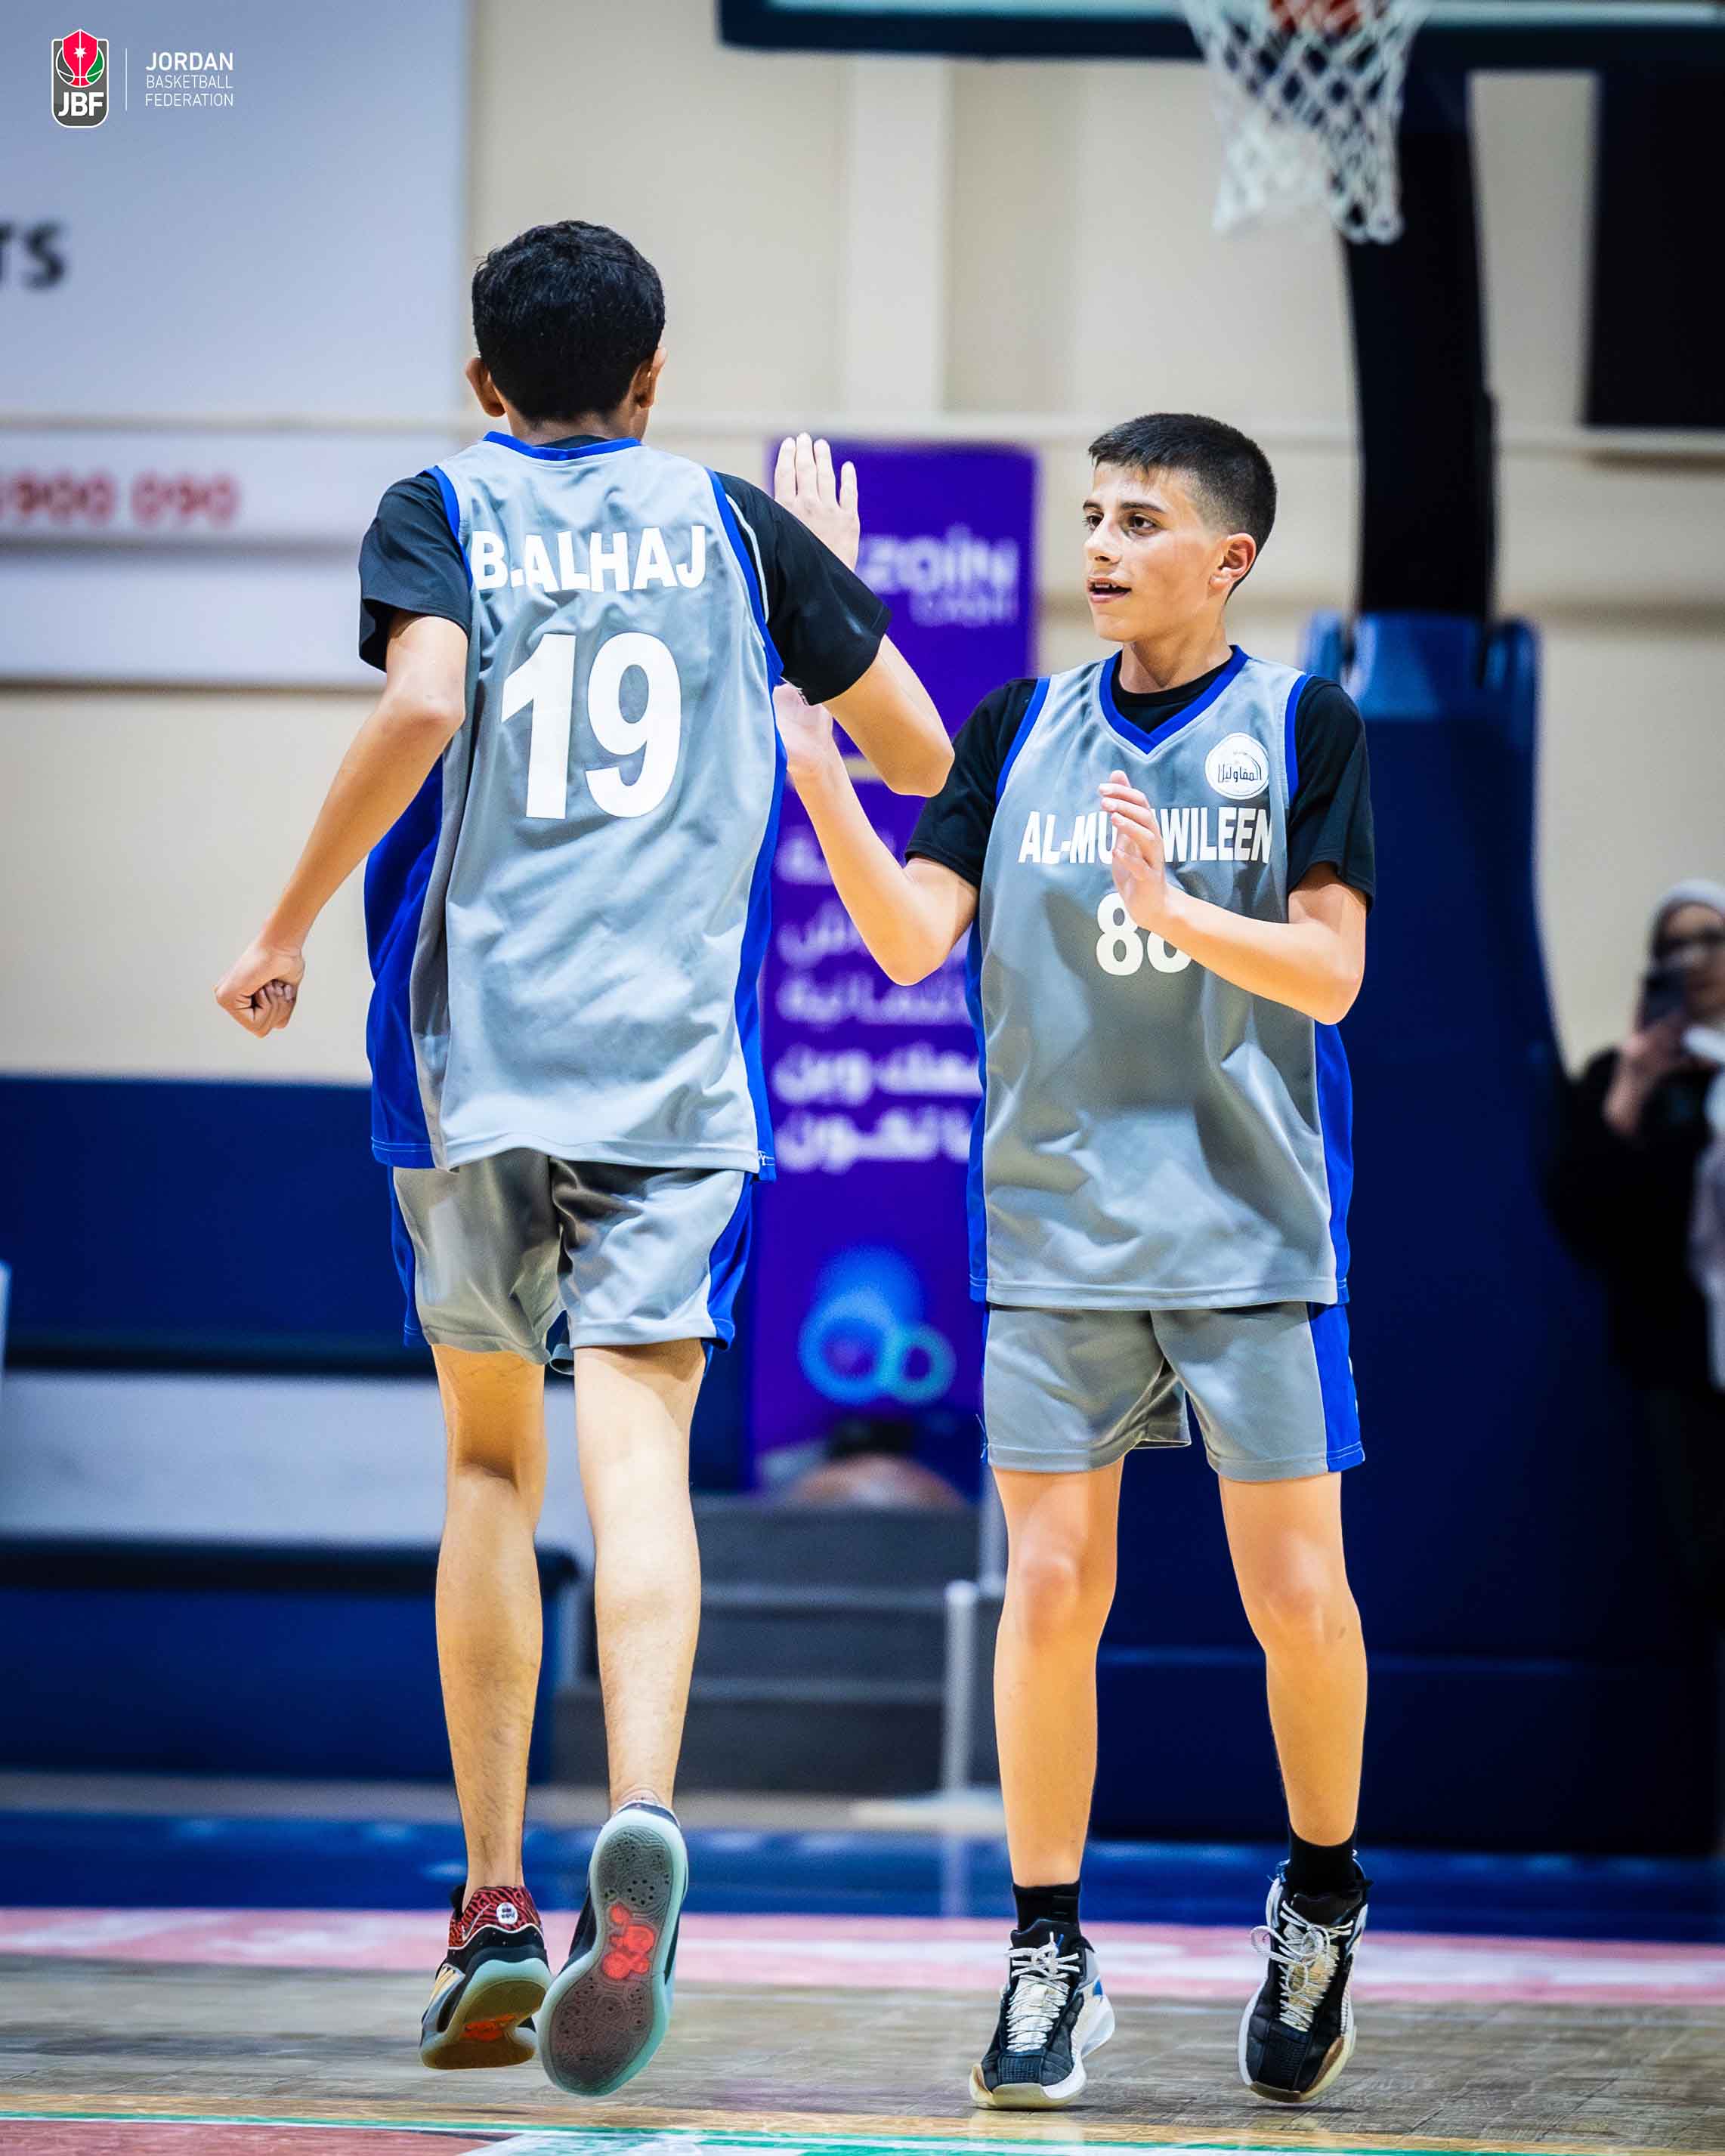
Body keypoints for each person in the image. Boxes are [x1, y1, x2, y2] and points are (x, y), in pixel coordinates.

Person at [214, 219, 950, 2093]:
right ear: (654, 375)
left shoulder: (438, 504)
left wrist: (282, 922)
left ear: (482, 380)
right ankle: (642, 1812)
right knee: (643, 1466)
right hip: (673, 1076)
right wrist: (820, 589)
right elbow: (922, 753)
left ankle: (489, 1904)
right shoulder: (736, 527)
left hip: (473, 1063)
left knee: (487, 1459)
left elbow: (422, 703)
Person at [773, 412, 1376, 2108]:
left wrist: (1178, 912)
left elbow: (1331, 973)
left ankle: (1320, 1898)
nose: (1099, 545)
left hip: (1249, 1223)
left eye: (1138, 521)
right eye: (1093, 515)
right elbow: (909, 941)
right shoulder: (1015, 726)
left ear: (1227, 558)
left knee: (1295, 1596)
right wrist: (817, 764)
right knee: (1048, 1588)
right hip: (1050, 1227)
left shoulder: (1302, 722)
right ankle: (1047, 1946)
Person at [1548, 881, 1725, 1626]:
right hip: (1680, 1359)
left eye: (1710, 939)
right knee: (1710, 1571)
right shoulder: (1619, 1079)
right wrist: (1633, 1082)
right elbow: (1583, 1213)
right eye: (1674, 946)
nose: (1694, 959)